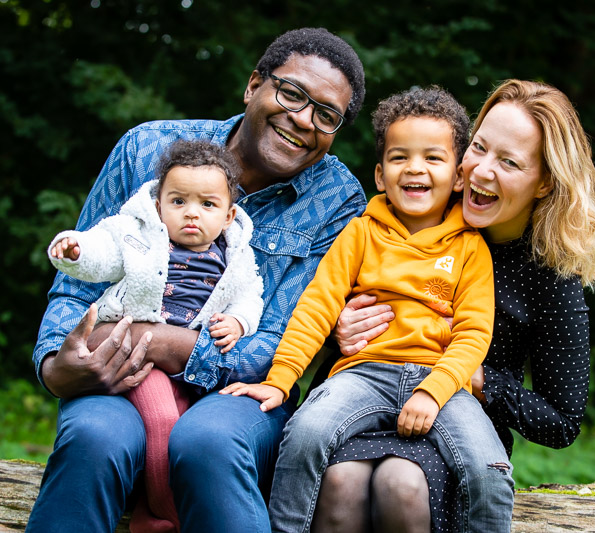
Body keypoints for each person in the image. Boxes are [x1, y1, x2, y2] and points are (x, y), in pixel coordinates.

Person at [27, 27, 367, 533]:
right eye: (292, 93)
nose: (302, 118)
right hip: (121, 374)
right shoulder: (146, 147)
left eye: (326, 114)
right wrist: (55, 364)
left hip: (239, 396)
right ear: (254, 85)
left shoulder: (336, 200)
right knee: (95, 437)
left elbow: (284, 340)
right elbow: (79, 285)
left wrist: (161, 342)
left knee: (208, 442)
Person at [315, 79, 595, 532]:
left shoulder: (550, 278)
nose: (481, 172)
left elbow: (562, 422)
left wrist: (479, 377)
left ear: (543, 183)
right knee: (341, 481)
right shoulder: (417, 206)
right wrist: (340, 330)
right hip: (365, 398)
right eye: (479, 147)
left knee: (400, 484)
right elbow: (322, 301)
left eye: (509, 162)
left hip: (456, 428)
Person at [222, 86, 515, 533]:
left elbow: (474, 334)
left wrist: (433, 391)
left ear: (459, 176)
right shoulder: (360, 234)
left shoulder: (471, 248)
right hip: (363, 373)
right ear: (380, 175)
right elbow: (317, 307)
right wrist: (280, 379)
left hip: (442, 384)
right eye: (400, 157)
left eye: (432, 157)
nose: (414, 167)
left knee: (489, 471)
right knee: (304, 434)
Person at [47, 139, 263, 532]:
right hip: (137, 357)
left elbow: (251, 296)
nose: (191, 213)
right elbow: (104, 251)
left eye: (207, 204)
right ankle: (165, 515)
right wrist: (77, 250)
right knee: (162, 419)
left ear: (229, 215)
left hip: (186, 367)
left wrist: (238, 322)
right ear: (159, 205)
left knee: (181, 427)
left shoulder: (236, 254)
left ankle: (150, 503)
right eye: (178, 201)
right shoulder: (140, 237)